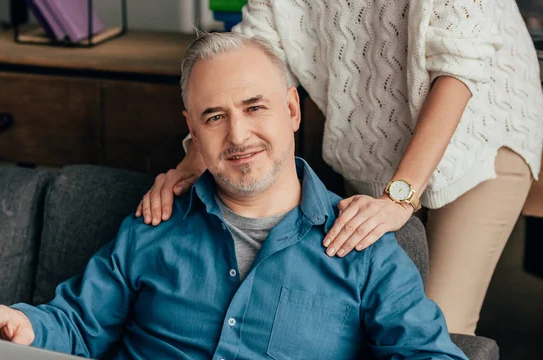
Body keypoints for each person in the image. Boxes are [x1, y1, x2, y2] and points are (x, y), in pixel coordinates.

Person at [0, 32, 476, 360]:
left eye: (255, 107)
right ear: (192, 130)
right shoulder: (155, 223)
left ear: (292, 110)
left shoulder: (362, 246)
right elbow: (77, 322)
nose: (238, 136)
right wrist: (24, 325)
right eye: (215, 117)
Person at [135, 0, 543, 335]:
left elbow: (459, 67)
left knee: (440, 326)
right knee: (368, 316)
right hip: (372, 140)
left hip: (481, 129)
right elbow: (250, 50)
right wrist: (190, 164)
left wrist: (399, 196)